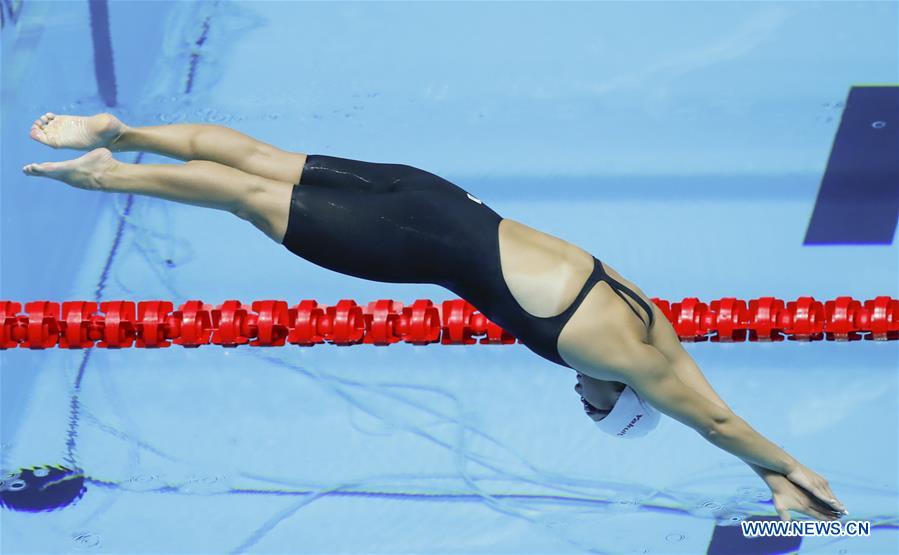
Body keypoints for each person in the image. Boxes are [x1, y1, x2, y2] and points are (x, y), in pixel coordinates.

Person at [23, 112, 847, 521]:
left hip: (431, 192)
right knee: (247, 197)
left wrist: (769, 476)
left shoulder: (652, 321)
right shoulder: (624, 356)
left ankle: (122, 128)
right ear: (622, 398)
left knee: (261, 157)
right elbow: (711, 418)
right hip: (409, 239)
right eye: (594, 406)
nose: (584, 399)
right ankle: (107, 173)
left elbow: (711, 403)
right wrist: (805, 489)